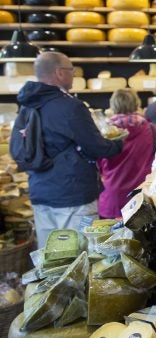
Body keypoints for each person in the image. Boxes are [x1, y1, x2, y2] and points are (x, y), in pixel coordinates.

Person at [15, 52, 122, 246]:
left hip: (40, 192)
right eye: (71, 70)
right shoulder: (71, 107)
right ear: (59, 73)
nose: (73, 75)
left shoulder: (27, 107)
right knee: (79, 255)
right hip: (73, 194)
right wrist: (119, 143)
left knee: (50, 257)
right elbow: (96, 147)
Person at [97, 89, 156, 219]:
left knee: (110, 238)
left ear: (113, 106)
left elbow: (98, 166)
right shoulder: (152, 130)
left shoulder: (102, 134)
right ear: (137, 104)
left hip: (112, 200)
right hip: (142, 198)